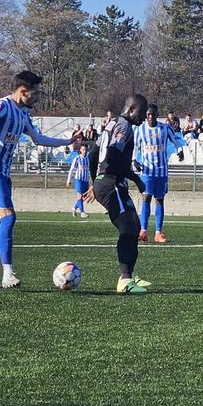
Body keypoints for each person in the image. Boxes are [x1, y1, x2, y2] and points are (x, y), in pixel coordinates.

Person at [0, 70, 75, 290]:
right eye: (35, 93)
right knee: (8, 218)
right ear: (23, 92)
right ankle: (8, 273)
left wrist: (68, 141)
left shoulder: (23, 115)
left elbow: (38, 139)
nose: (37, 97)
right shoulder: (1, 106)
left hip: (2, 174)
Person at [87, 93, 151, 293]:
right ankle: (124, 280)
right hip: (111, 182)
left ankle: (129, 275)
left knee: (135, 225)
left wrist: (94, 180)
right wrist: (138, 180)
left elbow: (94, 154)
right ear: (131, 109)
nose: (143, 117)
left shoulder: (111, 124)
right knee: (129, 229)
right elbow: (114, 157)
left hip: (107, 182)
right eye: (141, 112)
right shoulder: (123, 126)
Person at [133, 104, 179, 243]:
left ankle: (158, 232)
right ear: (146, 116)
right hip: (147, 170)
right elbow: (135, 146)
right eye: (148, 114)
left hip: (162, 171)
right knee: (146, 198)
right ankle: (143, 231)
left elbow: (175, 140)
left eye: (153, 114)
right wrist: (134, 160)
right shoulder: (140, 129)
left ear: (157, 114)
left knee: (159, 199)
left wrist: (180, 150)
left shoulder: (164, 128)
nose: (151, 117)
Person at [66, 142, 91, 217]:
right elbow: (72, 169)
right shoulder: (77, 158)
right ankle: (82, 212)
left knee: (84, 196)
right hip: (78, 179)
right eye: (83, 149)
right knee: (79, 196)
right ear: (80, 150)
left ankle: (74, 208)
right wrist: (69, 180)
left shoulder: (88, 158)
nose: (85, 151)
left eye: (86, 149)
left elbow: (89, 170)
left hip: (85, 180)